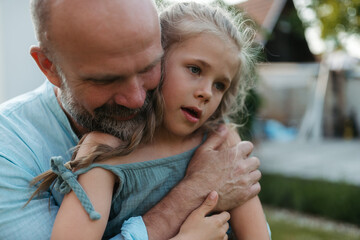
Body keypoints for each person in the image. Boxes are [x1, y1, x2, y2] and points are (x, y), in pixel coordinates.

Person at [0, 0, 261, 239]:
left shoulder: (219, 141)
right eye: (107, 78)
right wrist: (191, 197)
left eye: (147, 67)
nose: (137, 100)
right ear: (49, 66)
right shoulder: (98, 153)